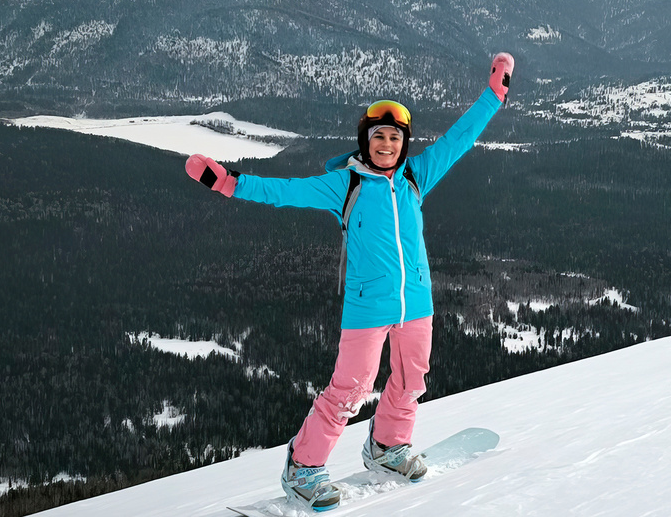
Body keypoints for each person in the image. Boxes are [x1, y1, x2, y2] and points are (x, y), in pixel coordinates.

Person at [184, 53, 514, 512]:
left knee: (411, 379)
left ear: (404, 144)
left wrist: (494, 95)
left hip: (416, 303)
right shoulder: (346, 184)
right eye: (378, 136)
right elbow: (284, 191)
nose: (386, 144)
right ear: (365, 140)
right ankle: (303, 468)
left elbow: (460, 138)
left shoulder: (416, 176)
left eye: (395, 137)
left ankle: (388, 447)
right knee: (351, 389)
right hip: (367, 307)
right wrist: (228, 182)